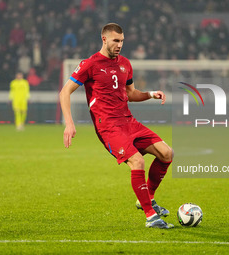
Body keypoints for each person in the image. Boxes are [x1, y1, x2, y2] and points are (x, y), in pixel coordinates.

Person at [60, 23, 174, 229]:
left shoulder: (125, 64)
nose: (119, 44)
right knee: (137, 162)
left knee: (167, 153)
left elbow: (131, 94)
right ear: (104, 39)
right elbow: (64, 92)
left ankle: (146, 199)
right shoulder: (90, 64)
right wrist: (69, 123)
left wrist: (150, 94)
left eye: (121, 41)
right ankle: (151, 216)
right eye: (115, 40)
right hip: (109, 127)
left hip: (128, 121)